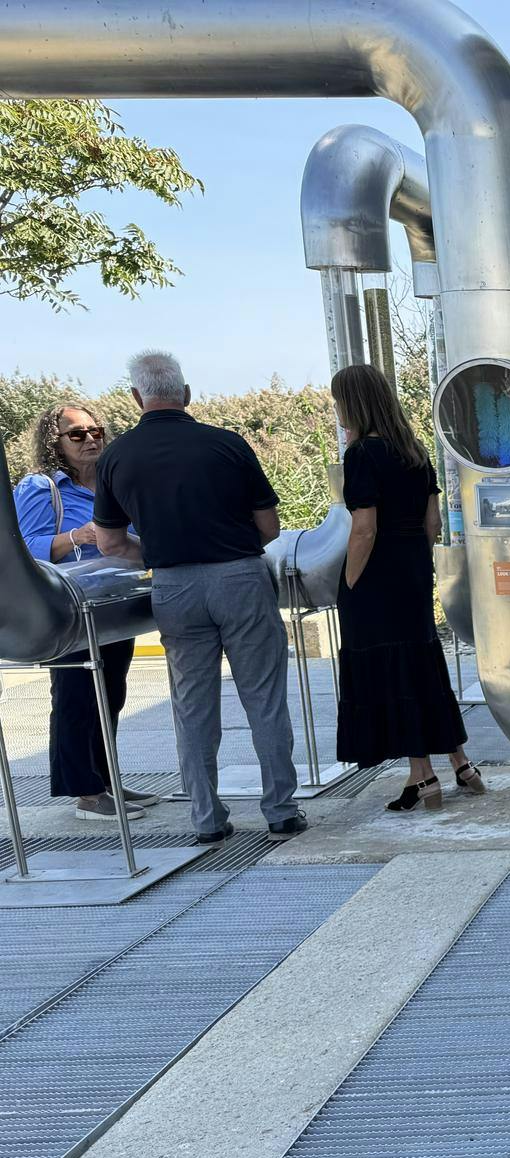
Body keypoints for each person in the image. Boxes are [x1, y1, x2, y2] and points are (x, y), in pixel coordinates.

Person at [93, 350, 306, 844]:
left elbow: (110, 543)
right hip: (240, 578)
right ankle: (280, 810)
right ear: (186, 394)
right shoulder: (227, 445)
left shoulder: (117, 457)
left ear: (135, 397)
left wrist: (161, 551)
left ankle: (207, 820)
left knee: (192, 706)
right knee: (265, 699)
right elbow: (269, 526)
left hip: (172, 585)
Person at [328, 363, 482, 810]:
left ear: (354, 403)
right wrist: (413, 561)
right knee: (422, 664)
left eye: (339, 401)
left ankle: (422, 776)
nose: (337, 409)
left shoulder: (361, 456)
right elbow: (432, 522)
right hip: (413, 571)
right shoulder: (413, 451)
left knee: (393, 670)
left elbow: (364, 529)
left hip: (377, 577)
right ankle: (460, 763)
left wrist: (351, 581)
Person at [10, 404, 161, 821]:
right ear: (53, 442)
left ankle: (106, 778)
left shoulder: (110, 482)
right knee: (76, 695)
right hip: (69, 606)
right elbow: (24, 550)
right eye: (77, 434)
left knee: (111, 690)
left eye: (96, 431)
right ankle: (87, 794)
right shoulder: (43, 488)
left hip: (114, 604)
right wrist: (77, 535)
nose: (91, 438)